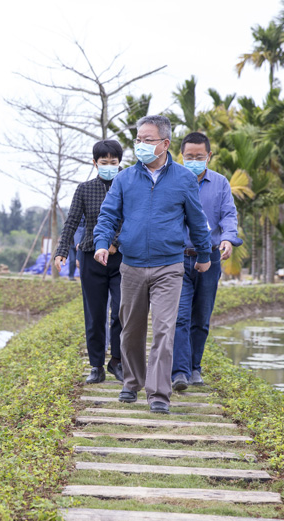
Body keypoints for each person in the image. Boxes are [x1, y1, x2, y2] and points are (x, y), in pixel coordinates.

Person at [93, 115, 211, 414]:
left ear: (165, 143)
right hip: (131, 265)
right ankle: (132, 382)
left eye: (147, 140)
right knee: (131, 330)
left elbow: (197, 221)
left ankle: (159, 392)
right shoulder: (124, 178)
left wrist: (204, 256)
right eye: (138, 140)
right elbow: (108, 216)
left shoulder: (184, 179)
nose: (140, 145)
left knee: (164, 329)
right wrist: (101, 243)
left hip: (169, 266)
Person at [172, 132, 242, 390]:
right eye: (189, 157)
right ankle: (178, 372)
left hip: (210, 256)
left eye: (199, 157)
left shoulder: (221, 183)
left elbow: (228, 216)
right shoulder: (172, 181)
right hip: (178, 257)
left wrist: (228, 239)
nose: (193, 161)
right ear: (181, 156)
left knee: (201, 317)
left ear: (209, 156)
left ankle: (194, 367)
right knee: (179, 317)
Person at [54, 140, 124, 384]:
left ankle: (117, 361)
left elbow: (133, 219)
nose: (108, 166)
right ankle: (96, 365)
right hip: (90, 256)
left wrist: (116, 242)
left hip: (121, 259)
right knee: (95, 315)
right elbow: (72, 221)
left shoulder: (128, 185)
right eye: (103, 163)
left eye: (113, 163)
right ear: (95, 163)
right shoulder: (85, 189)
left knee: (121, 311)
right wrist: (61, 251)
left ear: (119, 163)